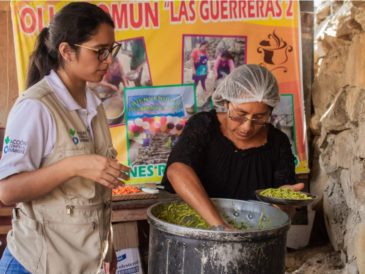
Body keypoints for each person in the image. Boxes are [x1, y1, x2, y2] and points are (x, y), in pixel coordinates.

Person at [0, 2, 129, 274]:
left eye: (111, 50)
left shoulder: (93, 103)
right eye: (99, 52)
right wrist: (75, 165)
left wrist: (107, 249)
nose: (108, 60)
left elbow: (95, 199)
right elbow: (8, 191)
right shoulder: (36, 107)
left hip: (82, 264)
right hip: (36, 264)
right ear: (66, 51)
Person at [162, 64, 303, 229]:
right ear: (227, 103)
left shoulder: (278, 142)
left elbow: (284, 213)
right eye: (240, 114)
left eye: (259, 117)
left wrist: (284, 203)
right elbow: (177, 171)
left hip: (255, 234)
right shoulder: (204, 126)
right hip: (200, 230)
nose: (247, 127)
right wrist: (220, 226)